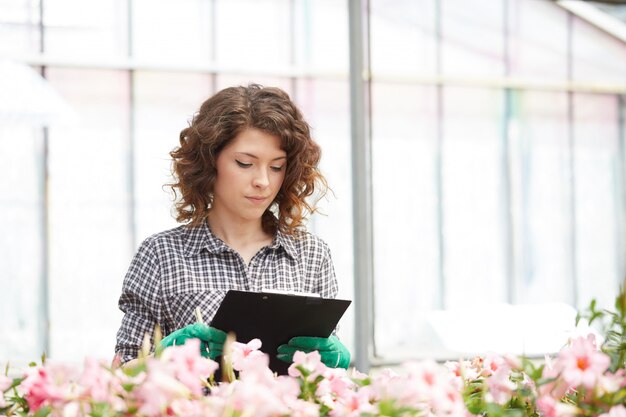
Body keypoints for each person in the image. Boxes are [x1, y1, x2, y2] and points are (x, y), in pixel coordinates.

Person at [114, 84, 350, 370]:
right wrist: (162, 360)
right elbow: (121, 375)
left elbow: (326, 371)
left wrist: (335, 361)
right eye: (245, 163)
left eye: (277, 167)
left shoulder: (311, 254)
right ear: (210, 162)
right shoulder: (161, 254)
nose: (263, 181)